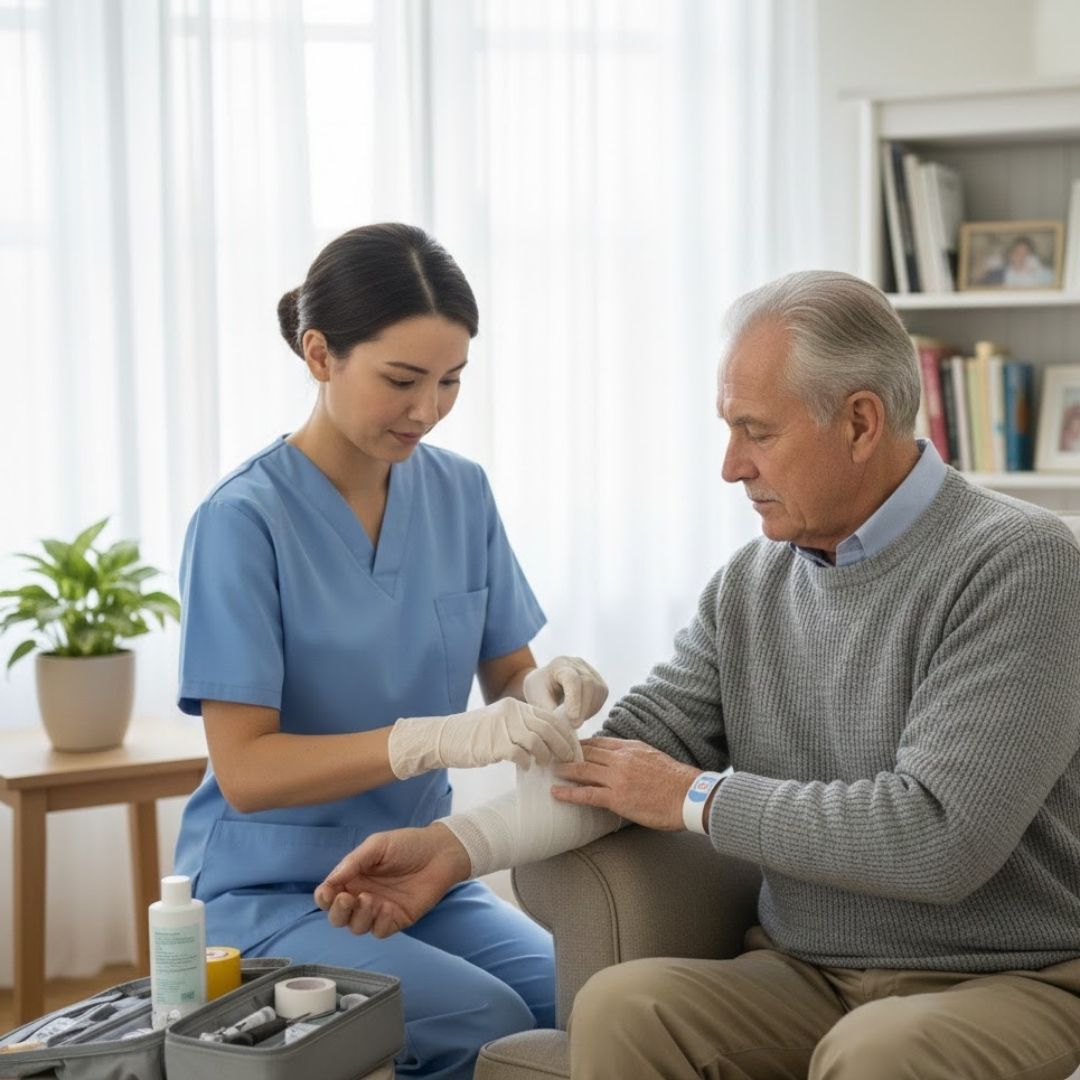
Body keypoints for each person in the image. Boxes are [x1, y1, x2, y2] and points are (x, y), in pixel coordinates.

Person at [314, 269, 1080, 1080]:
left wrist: (694, 795)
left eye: (756, 431)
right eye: (728, 429)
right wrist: (452, 848)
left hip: (1012, 976)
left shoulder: (1021, 565)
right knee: (621, 1006)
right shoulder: (752, 584)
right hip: (806, 974)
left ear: (859, 422)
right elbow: (623, 765)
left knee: (877, 1052)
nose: (731, 466)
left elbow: (938, 839)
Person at [172, 223, 609, 1080]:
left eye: (450, 382)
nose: (427, 410)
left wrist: (546, 689)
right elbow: (248, 771)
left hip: (417, 874)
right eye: (402, 381)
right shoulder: (242, 523)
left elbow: (508, 674)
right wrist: (428, 740)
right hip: (273, 895)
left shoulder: (460, 492)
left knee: (589, 1001)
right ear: (319, 354)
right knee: (483, 1021)